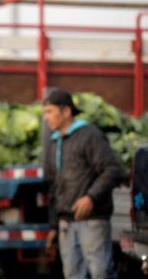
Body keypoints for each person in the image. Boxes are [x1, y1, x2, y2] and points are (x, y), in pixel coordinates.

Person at [42, 88, 128, 279]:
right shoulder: (54, 144)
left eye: (50, 112)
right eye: (44, 113)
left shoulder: (89, 136)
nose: (46, 118)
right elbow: (54, 188)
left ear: (66, 111)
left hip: (92, 220)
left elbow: (114, 170)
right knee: (72, 274)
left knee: (101, 273)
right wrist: (54, 226)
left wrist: (91, 198)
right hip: (67, 223)